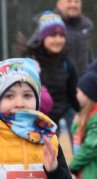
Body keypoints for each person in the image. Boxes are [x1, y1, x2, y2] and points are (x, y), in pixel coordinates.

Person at [18, 11, 80, 141]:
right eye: (52, 35)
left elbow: (72, 95)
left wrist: (85, 112)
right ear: (42, 37)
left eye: (61, 35)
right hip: (29, 126)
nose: (58, 40)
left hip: (52, 126)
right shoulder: (31, 62)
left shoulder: (66, 63)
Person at [54, 0, 94, 141]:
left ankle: (79, 164)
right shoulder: (49, 24)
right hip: (54, 93)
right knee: (49, 139)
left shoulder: (87, 25)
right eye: (69, 1)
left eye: (77, 1)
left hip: (78, 93)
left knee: (80, 138)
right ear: (59, 3)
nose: (73, 5)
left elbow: (88, 55)